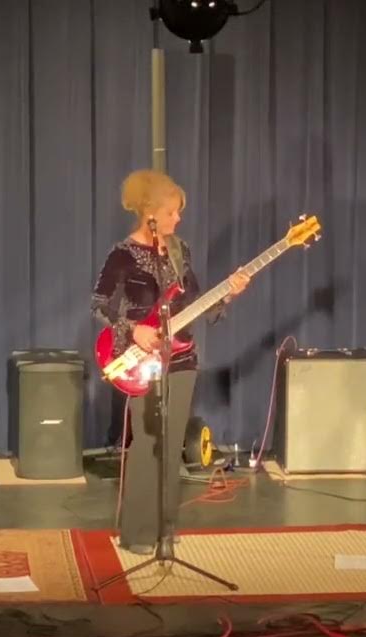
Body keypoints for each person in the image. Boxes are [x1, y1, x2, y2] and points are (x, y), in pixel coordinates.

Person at [91, 169, 249, 555]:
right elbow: (99, 306)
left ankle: (165, 530)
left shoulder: (179, 250)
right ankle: (135, 532)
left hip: (182, 358)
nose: (178, 219)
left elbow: (193, 302)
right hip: (143, 359)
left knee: (172, 442)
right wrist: (133, 331)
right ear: (150, 214)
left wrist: (228, 294)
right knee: (145, 442)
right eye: (172, 212)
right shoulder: (122, 255)